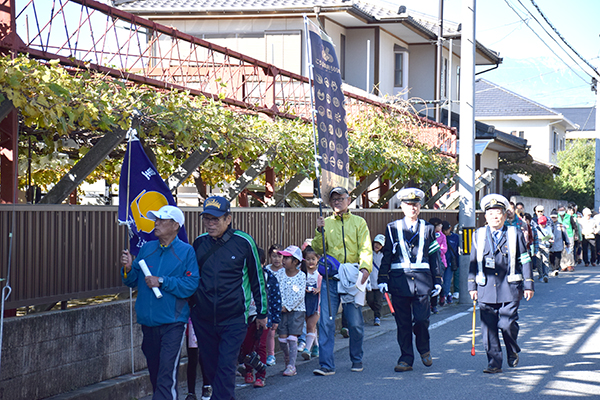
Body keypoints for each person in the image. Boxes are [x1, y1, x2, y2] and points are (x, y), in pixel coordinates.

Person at [190, 196, 268, 400]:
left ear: (228, 219)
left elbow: (257, 278)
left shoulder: (244, 242)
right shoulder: (199, 243)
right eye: (206, 218)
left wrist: (262, 312)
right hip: (204, 319)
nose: (210, 223)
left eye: (215, 219)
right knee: (211, 367)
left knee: (225, 366)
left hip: (234, 318)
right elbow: (191, 277)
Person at [120, 205, 199, 400]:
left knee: (165, 374)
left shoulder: (186, 251)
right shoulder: (147, 248)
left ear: (175, 225)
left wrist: (162, 281)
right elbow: (131, 281)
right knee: (155, 374)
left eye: (161, 220)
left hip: (173, 322)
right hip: (148, 322)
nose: (156, 223)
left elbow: (190, 284)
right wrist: (129, 268)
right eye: (156, 219)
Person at [468, 194, 534, 374]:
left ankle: (512, 349)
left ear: (505, 216)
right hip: (486, 287)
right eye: (490, 214)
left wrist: (528, 284)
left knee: (507, 324)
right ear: (485, 217)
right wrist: (471, 286)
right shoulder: (478, 235)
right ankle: (494, 363)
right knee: (488, 329)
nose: (494, 217)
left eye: (498, 213)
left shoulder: (515, 233)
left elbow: (525, 259)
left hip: (509, 287)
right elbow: (473, 262)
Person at [378, 188, 442, 373]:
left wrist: (437, 280)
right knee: (403, 323)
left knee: (422, 320)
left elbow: (434, 255)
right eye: (408, 205)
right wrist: (383, 278)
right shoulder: (392, 228)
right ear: (402, 207)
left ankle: (424, 348)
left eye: (415, 205)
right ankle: (406, 358)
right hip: (399, 281)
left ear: (420, 207)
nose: (412, 208)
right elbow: (387, 255)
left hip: (423, 281)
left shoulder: (429, 229)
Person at [312, 187, 373, 376]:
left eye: (341, 198)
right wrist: (319, 230)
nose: (337, 202)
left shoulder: (359, 222)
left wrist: (365, 267)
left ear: (349, 200)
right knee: (326, 322)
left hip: (352, 276)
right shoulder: (326, 222)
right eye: (334, 199)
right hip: (331, 277)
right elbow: (317, 249)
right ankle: (326, 365)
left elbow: (365, 247)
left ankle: (357, 358)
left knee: (354, 322)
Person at [238, 247, 281, 388]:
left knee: (261, 346)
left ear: (262, 263)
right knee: (247, 346)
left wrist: (275, 319)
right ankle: (248, 371)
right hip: (246, 316)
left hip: (264, 317)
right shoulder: (242, 277)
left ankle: (261, 375)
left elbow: (275, 299)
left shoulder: (269, 277)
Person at [275, 245, 306, 377]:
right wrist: (278, 306)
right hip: (280, 310)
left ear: (295, 261)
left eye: (287, 258)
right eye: (284, 257)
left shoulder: (301, 276)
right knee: (282, 339)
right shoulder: (279, 273)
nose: (283, 260)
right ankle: (287, 358)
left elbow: (299, 295)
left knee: (292, 338)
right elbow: (275, 290)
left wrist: (287, 306)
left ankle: (292, 365)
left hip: (296, 311)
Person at [264, 244, 284, 366]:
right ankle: (270, 355)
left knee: (281, 331)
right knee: (270, 331)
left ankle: (285, 353)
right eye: (274, 256)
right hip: (269, 303)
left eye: (279, 256)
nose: (277, 259)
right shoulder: (266, 270)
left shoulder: (285, 270)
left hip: (282, 303)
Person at [301, 246, 322, 359]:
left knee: (311, 324)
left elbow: (325, 284)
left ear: (317, 259)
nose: (310, 262)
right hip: (305, 300)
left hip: (316, 301)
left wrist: (319, 289)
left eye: (313, 259)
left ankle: (306, 349)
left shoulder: (320, 272)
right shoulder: (302, 271)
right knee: (310, 326)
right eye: (308, 259)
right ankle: (316, 346)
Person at [366, 234, 385, 326]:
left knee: (378, 301)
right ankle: (376, 311)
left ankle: (377, 316)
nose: (377, 246)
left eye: (380, 244)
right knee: (369, 300)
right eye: (376, 243)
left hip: (379, 283)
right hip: (369, 282)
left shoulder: (384, 256)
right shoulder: (368, 254)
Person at [442, 220, 460, 302]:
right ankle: (445, 294)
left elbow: (457, 250)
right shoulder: (440, 236)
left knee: (448, 279)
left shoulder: (455, 237)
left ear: (450, 228)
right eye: (444, 230)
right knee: (442, 279)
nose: (445, 232)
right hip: (442, 261)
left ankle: (446, 295)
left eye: (447, 229)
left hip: (450, 261)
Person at [549, 209, 570, 276]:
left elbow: (565, 234)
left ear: (557, 217)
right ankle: (553, 269)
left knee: (558, 257)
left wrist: (567, 243)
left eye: (555, 217)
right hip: (550, 245)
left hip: (558, 244)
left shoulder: (561, 225)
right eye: (552, 217)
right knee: (551, 258)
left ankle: (556, 269)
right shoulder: (548, 225)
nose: (553, 219)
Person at [557, 204, 577, 271]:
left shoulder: (569, 217)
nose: (561, 211)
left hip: (569, 235)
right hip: (560, 235)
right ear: (558, 211)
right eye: (560, 210)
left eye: (562, 210)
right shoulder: (557, 217)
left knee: (569, 250)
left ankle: (570, 264)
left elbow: (574, 226)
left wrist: (576, 235)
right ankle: (563, 265)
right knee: (562, 251)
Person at [536, 216, 553, 283]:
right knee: (539, 262)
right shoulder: (536, 228)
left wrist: (549, 239)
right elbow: (535, 237)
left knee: (546, 261)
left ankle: (546, 275)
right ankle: (540, 275)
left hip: (546, 246)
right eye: (541, 224)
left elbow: (551, 236)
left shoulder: (548, 228)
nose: (542, 225)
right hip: (538, 246)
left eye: (543, 224)